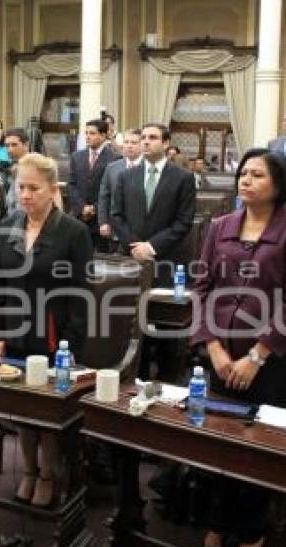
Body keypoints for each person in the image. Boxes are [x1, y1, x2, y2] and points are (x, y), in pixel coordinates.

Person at [192, 148, 286, 547]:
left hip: (270, 358)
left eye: (257, 175)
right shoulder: (220, 225)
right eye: (243, 173)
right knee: (219, 441)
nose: (245, 180)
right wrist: (213, 347)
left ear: (278, 185)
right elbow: (203, 289)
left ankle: (252, 527)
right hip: (221, 354)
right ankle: (217, 521)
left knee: (255, 447)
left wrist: (257, 356)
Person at [0, 153, 92, 507]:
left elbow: (81, 294)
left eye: (34, 188)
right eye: (21, 187)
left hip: (53, 336)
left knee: (47, 409)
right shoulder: (6, 227)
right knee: (22, 408)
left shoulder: (73, 232)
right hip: (16, 332)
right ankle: (28, 470)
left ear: (51, 189)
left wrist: (72, 344)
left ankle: (48, 473)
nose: (26, 195)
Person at [110, 123, 195, 381]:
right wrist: (135, 246)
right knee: (132, 325)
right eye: (143, 137)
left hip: (166, 261)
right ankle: (135, 378)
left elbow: (184, 222)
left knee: (165, 327)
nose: (146, 142)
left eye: (153, 138)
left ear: (166, 143)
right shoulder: (126, 176)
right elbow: (117, 215)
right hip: (132, 261)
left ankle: (168, 382)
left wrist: (152, 246)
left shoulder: (182, 178)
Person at [68, 119, 120, 250]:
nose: (87, 136)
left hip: (102, 220)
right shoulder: (76, 157)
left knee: (103, 260)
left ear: (103, 135)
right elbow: (72, 185)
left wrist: (94, 208)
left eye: (92, 133)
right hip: (79, 218)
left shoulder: (114, 159)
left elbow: (114, 190)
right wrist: (82, 207)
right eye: (86, 133)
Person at [98, 128, 141, 248]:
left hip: (142, 232)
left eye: (134, 143)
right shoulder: (112, 168)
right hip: (115, 230)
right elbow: (104, 197)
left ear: (142, 145)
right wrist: (103, 222)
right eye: (126, 142)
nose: (129, 146)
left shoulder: (149, 168)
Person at [3, 127, 30, 216]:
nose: (9, 149)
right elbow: (9, 201)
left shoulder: (35, 167)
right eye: (7, 146)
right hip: (13, 221)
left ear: (26, 145)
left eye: (14, 145)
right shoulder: (11, 167)